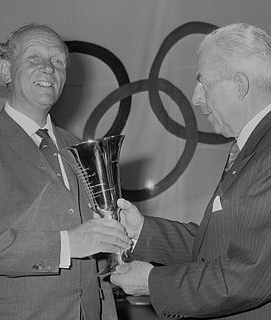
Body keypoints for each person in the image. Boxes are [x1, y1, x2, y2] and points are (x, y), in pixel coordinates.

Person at [0, 23, 131, 320]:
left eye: (57, 61)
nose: (48, 68)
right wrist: (66, 244)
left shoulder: (78, 147)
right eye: (34, 58)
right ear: (6, 71)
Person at [111, 23, 271, 319]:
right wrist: (141, 231)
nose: (196, 98)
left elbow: (249, 276)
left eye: (203, 83)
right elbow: (217, 250)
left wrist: (151, 282)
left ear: (240, 84)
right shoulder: (253, 146)